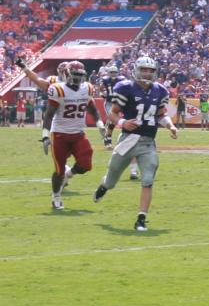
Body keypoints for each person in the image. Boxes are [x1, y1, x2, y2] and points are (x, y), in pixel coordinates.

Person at [93, 55, 179, 231]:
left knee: (148, 179)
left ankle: (141, 218)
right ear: (136, 70)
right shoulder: (125, 88)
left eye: (150, 70)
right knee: (111, 181)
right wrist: (123, 123)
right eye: (144, 70)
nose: (147, 73)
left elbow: (161, 114)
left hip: (148, 142)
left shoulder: (160, 90)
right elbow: (112, 112)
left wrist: (170, 126)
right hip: (128, 140)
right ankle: (104, 186)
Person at [41, 61, 104, 210]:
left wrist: (100, 124)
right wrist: (44, 135)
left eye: (80, 75)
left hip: (78, 133)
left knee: (86, 165)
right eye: (74, 75)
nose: (77, 79)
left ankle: (68, 175)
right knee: (58, 170)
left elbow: (93, 110)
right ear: (67, 74)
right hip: (59, 135)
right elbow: (49, 115)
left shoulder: (87, 88)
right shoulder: (58, 89)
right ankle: (56, 196)